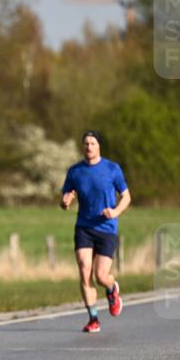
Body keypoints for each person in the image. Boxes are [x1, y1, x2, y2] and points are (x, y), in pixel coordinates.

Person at [61, 130, 130, 333]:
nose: (89, 147)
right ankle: (93, 318)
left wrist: (115, 211)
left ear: (99, 146)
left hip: (106, 228)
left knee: (101, 276)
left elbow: (126, 196)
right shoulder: (75, 171)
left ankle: (111, 288)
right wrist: (65, 202)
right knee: (84, 269)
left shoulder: (112, 169)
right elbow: (66, 194)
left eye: (92, 143)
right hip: (84, 227)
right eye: (86, 144)